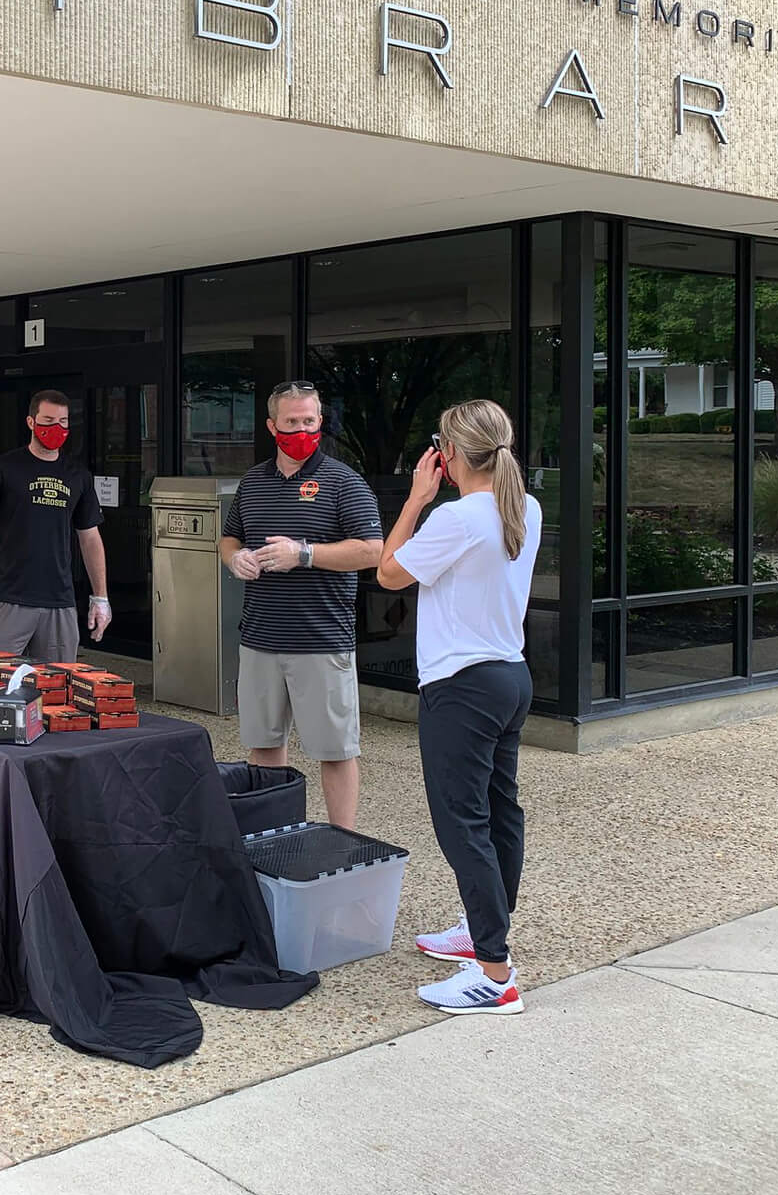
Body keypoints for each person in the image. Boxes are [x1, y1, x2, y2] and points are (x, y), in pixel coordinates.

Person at [377, 400, 541, 1017]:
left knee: (462, 823)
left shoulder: (457, 516)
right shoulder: (524, 507)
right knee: (500, 812)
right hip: (509, 676)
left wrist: (416, 498)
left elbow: (390, 573)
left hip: (463, 687)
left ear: (445, 457)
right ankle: (482, 935)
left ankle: (495, 975)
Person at [221, 382, 383, 828]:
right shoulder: (253, 482)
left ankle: (342, 839)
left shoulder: (343, 482)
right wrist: (233, 558)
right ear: (273, 426)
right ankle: (273, 834)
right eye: (292, 422)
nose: (302, 430)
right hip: (259, 639)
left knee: (335, 749)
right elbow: (230, 536)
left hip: (321, 641)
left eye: (310, 421)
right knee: (264, 747)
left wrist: (304, 553)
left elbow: (372, 550)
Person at [0, 388, 111, 661]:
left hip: (59, 601)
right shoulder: (3, 467)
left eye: (63, 423)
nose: (56, 428)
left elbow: (90, 538)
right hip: (9, 596)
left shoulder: (78, 476)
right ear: (31, 422)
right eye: (48, 421)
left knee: (57, 686)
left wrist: (100, 597)